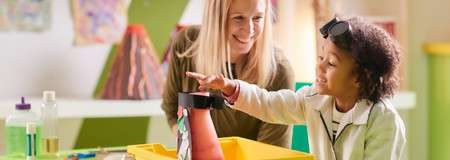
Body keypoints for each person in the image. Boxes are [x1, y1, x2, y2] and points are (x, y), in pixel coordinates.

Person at [187, 16, 406, 160]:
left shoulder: (383, 120)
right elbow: (270, 104)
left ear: (360, 77)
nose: (319, 66)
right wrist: (229, 86)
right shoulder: (315, 99)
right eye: (321, 57)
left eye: (331, 63)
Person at [161, 0, 294, 147]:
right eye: (238, 18)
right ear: (215, 17)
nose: (249, 29)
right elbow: (172, 109)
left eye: (257, 18)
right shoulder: (185, 43)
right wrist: (191, 147)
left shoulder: (279, 72)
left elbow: (271, 152)